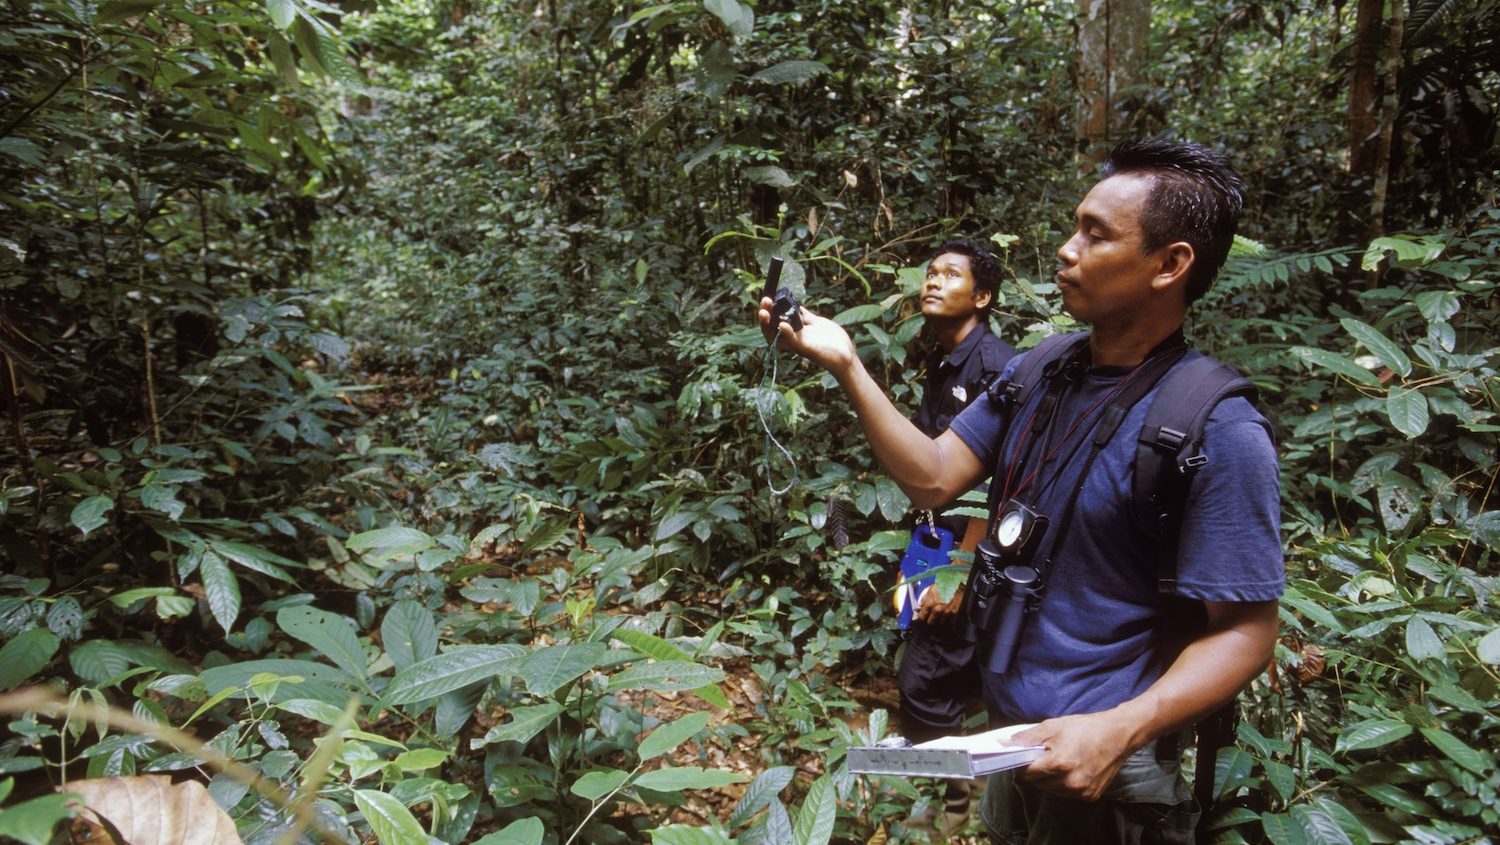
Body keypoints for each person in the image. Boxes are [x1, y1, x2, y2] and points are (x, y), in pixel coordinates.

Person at [758, 140, 1282, 844]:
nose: (1067, 249)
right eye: (1074, 226)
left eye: (1096, 233)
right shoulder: (1044, 367)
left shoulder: (1217, 427)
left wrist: (1119, 730)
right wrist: (845, 363)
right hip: (1011, 740)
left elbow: (1248, 632)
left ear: (1171, 263)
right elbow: (935, 474)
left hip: (1108, 763)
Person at [899, 238, 1016, 838]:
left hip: (971, 555)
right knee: (940, 676)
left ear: (984, 296)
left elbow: (996, 482)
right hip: (938, 543)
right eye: (930, 272)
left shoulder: (995, 365)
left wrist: (956, 575)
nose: (934, 282)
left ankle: (957, 809)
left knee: (923, 682)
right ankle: (961, 793)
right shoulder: (944, 360)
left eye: (951, 274)